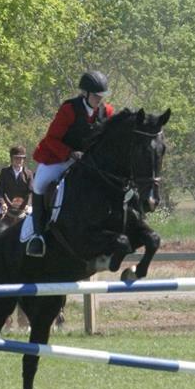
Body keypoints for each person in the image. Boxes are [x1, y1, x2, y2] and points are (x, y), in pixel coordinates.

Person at [27, 70, 115, 257]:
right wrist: (70, 153)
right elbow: (51, 138)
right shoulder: (69, 110)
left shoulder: (106, 112)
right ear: (86, 94)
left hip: (86, 163)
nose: (100, 100)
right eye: (97, 96)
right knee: (39, 185)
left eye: (102, 96)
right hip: (58, 158)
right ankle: (37, 236)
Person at [0, 145, 34, 234]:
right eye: (17, 158)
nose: (19, 161)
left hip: (23, 206)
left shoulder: (28, 174)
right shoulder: (5, 172)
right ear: (11, 158)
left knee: (36, 221)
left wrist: (27, 205)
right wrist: (2, 204)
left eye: (21, 158)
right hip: (6, 206)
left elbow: (31, 192)